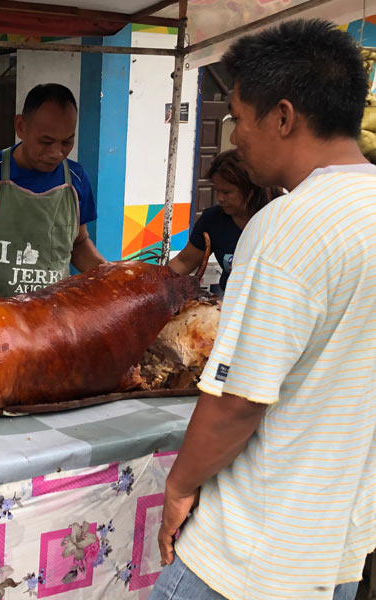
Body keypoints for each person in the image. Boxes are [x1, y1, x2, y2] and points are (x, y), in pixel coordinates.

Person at [152, 19, 376, 600]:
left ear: (282, 116)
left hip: (248, 553)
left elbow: (237, 402)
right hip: (335, 551)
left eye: (237, 117)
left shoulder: (287, 225)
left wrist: (178, 488)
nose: (233, 136)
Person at [0, 83, 106, 297]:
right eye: (46, 141)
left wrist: (106, 272)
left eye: (67, 142)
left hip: (53, 314)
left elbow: (79, 242)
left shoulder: (77, 179)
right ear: (21, 126)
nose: (56, 152)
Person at [168, 149, 280, 291]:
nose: (220, 198)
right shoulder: (213, 219)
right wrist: (156, 285)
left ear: (251, 190)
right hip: (229, 303)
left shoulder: (280, 217)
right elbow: (183, 262)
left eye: (226, 192)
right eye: (217, 191)